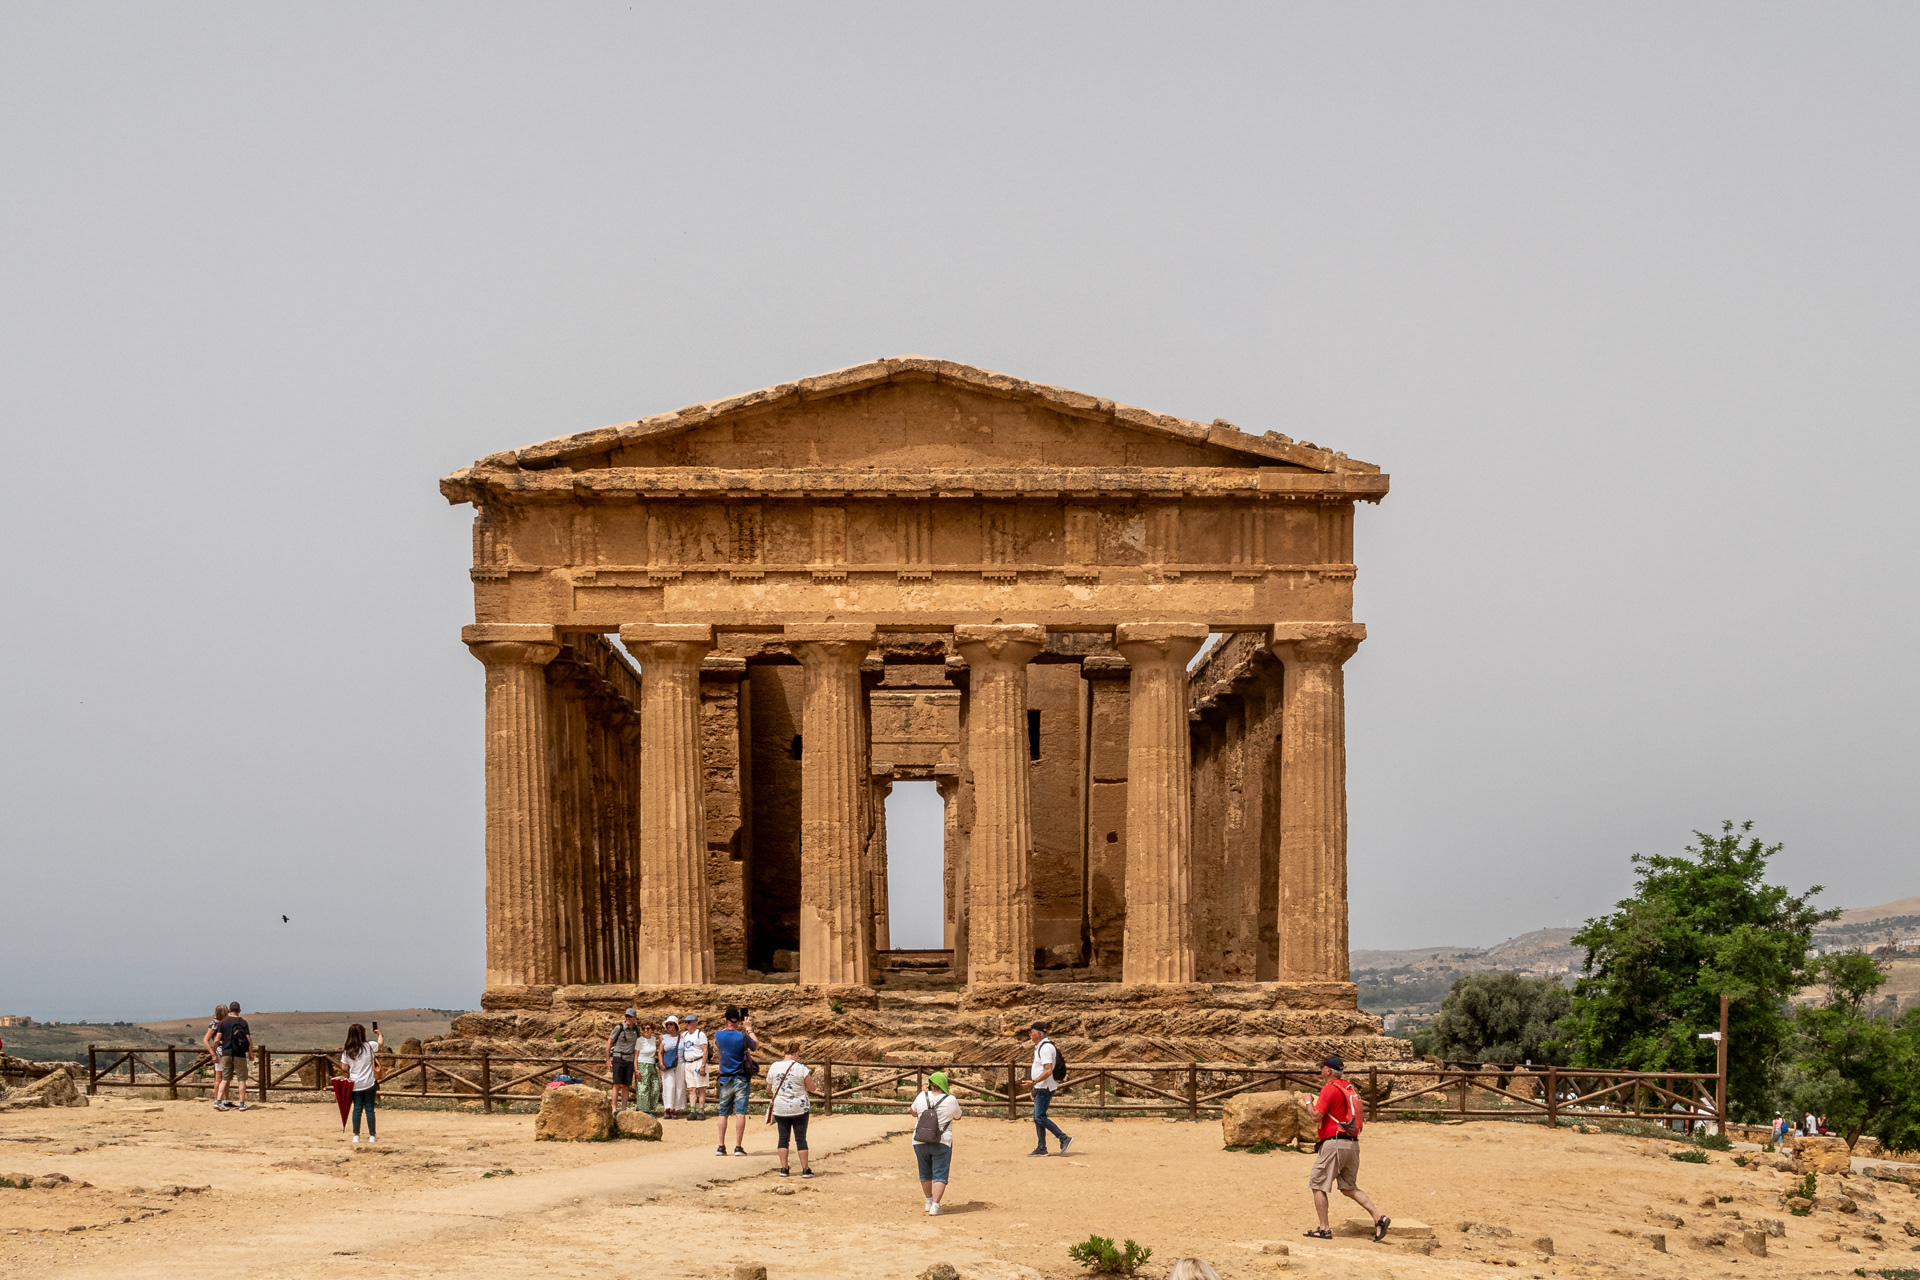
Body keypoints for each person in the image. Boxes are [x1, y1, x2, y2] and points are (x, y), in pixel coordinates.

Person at [1303, 1055, 1388, 1243]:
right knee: (1349, 1187)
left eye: (1321, 1068)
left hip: (1334, 1143)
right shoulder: (1348, 1088)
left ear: (1327, 1071)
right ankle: (1378, 1218)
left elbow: (1316, 1116)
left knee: (1317, 1184)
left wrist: (1308, 1101)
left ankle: (1324, 1229)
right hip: (1352, 1144)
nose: (1320, 1071)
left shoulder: (1329, 1089)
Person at [909, 1070, 962, 1215]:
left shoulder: (921, 1096)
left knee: (924, 1172)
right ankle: (936, 1206)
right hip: (942, 1140)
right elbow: (958, 1116)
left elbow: (913, 1111)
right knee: (940, 1173)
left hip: (919, 1140)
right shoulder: (950, 1100)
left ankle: (928, 1201)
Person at [713, 1007, 760, 1156]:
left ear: (726, 1020)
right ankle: (738, 1146)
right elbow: (755, 1045)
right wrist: (749, 1028)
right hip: (741, 1077)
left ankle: (721, 1146)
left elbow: (720, 1035)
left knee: (723, 1113)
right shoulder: (742, 1036)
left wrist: (729, 1023)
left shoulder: (718, 1035)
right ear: (739, 1021)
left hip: (725, 1078)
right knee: (740, 1113)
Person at [765, 1041, 815, 1178]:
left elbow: (768, 1087)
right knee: (801, 1139)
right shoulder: (801, 1068)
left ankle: (784, 1168)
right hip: (799, 1107)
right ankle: (805, 1169)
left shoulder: (774, 1066)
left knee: (783, 1138)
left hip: (780, 1107)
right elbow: (811, 1087)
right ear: (796, 1053)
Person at [1024, 1022, 1072, 1156]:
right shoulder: (1042, 1047)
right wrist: (1035, 1087)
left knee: (1039, 1117)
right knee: (1037, 1117)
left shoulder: (1045, 1048)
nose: (1030, 1034)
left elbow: (1048, 1070)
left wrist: (1033, 1082)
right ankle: (1041, 1148)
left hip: (1044, 1088)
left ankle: (1063, 1138)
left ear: (1038, 1034)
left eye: (1031, 1032)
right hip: (1041, 1087)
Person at [339, 1022, 384, 1143]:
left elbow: (344, 1067)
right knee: (369, 1108)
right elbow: (380, 1044)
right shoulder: (369, 1046)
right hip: (369, 1082)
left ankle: (356, 1135)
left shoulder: (347, 1051)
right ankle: (372, 1136)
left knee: (357, 1109)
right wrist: (379, 1033)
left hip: (355, 1084)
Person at [606, 1008, 644, 1116]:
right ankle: (614, 1109)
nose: (627, 1018)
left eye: (630, 1016)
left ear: (634, 1018)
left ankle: (623, 1110)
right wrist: (608, 1059)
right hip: (619, 1058)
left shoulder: (636, 1030)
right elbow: (609, 1042)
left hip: (630, 1060)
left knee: (626, 1085)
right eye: (626, 1016)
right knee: (616, 1084)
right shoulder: (619, 1028)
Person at [216, 1001, 252, 1112]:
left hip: (226, 1053)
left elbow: (217, 1039)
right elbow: (248, 1039)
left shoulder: (223, 1022)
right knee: (241, 1079)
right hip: (239, 1054)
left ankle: (218, 1102)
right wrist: (251, 1053)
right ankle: (241, 1103)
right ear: (239, 1010)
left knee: (225, 1079)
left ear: (229, 1010)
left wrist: (213, 1051)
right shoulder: (242, 1022)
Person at [680, 1013, 710, 1121]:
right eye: (686, 1022)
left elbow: (705, 1050)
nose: (687, 1024)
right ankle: (692, 1110)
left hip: (698, 1062)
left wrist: (703, 1065)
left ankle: (701, 1110)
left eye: (689, 1022)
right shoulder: (684, 1035)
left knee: (701, 1088)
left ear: (695, 1023)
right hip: (688, 1063)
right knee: (691, 1088)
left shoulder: (700, 1034)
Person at [633, 1018, 662, 1115]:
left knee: (655, 1088)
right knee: (643, 1088)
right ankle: (644, 1110)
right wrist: (636, 1069)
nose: (646, 1030)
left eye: (648, 1028)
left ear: (652, 1030)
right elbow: (636, 1055)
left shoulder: (654, 1039)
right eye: (644, 1028)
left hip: (652, 1065)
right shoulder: (639, 1040)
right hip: (642, 1064)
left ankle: (650, 1108)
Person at [660, 1016, 685, 1119]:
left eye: (671, 1024)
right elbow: (660, 1052)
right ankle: (667, 1108)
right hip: (668, 1064)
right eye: (668, 1024)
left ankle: (674, 1108)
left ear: (676, 1025)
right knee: (668, 1086)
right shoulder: (663, 1038)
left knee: (679, 1086)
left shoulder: (682, 1037)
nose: (669, 1026)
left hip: (680, 1064)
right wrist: (661, 1064)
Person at [203, 1005, 228, 1106]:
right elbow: (206, 1040)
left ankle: (226, 1099)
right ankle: (217, 1100)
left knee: (226, 1077)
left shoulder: (222, 1023)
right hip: (220, 1051)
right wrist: (213, 1053)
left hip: (225, 1051)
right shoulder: (215, 1024)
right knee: (219, 1078)